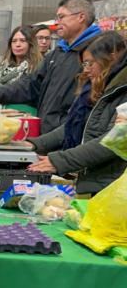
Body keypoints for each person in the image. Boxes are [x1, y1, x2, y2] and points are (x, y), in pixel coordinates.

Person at [0, 0, 102, 134]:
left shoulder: (98, 51)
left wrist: (64, 123)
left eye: (61, 17)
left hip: (69, 135)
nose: (56, 22)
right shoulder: (59, 52)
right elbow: (34, 83)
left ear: (81, 17)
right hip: (47, 133)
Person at [27, 32, 127, 196]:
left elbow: (113, 141)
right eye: (84, 64)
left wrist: (61, 160)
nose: (86, 70)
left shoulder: (120, 90)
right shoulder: (101, 87)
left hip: (112, 187)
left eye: (90, 63)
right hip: (98, 183)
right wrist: (36, 144)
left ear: (112, 58)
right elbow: (76, 125)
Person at [0, 26, 43, 115]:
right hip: (2, 116)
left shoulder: (38, 67)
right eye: (14, 41)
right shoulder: (3, 67)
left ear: (31, 43)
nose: (17, 44)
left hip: (26, 117)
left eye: (23, 41)